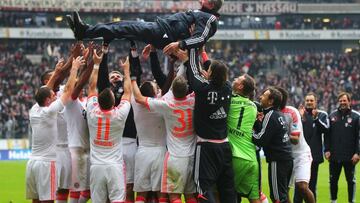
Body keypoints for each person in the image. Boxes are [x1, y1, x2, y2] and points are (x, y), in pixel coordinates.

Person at [132, 73, 197, 203]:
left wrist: (132, 77)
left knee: (173, 196)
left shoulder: (166, 104)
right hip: (191, 156)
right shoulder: (193, 101)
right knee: (190, 196)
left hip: (173, 156)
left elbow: (139, 98)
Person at [26, 56, 83, 203]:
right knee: (48, 200)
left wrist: (57, 73)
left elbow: (45, 90)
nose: (54, 96)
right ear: (48, 100)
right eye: (52, 96)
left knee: (36, 200)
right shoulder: (50, 111)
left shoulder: (34, 109)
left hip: (32, 163)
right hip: (46, 164)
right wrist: (75, 68)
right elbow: (69, 89)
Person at [66, 0, 223, 51]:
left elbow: (200, 38)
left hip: (164, 33)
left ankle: (84, 32)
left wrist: (179, 43)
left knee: (124, 27)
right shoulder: (203, 15)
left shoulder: (209, 18)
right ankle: (85, 32)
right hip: (162, 31)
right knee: (123, 27)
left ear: (211, 4)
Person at [184, 48, 236, 203]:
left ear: (210, 74)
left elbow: (192, 70)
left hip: (206, 147)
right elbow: (214, 70)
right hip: (224, 147)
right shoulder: (228, 87)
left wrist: (191, 54)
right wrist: (204, 53)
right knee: (227, 189)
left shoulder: (202, 88)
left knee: (203, 189)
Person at [86, 48, 132, 202]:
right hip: (114, 167)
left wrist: (96, 65)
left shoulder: (92, 112)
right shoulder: (119, 115)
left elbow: (91, 87)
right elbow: (127, 93)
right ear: (114, 102)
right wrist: (126, 71)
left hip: (96, 167)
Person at [97, 42, 139, 203]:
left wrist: (132, 53)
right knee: (110, 187)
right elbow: (102, 76)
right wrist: (104, 53)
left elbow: (134, 78)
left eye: (118, 76)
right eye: (112, 76)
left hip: (130, 143)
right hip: (112, 146)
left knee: (129, 185)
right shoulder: (106, 94)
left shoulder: (127, 93)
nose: (115, 77)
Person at [252, 87, 293, 203]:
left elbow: (261, 139)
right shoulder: (279, 114)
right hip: (286, 158)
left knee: (277, 198)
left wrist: (247, 130)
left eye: (264, 95)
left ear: (270, 101)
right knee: (282, 195)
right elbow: (268, 135)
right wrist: (258, 123)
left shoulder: (270, 115)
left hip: (278, 160)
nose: (260, 97)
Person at [276, 87, 315, 203]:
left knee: (302, 186)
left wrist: (278, 134)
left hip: (300, 155)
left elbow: (295, 139)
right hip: (285, 156)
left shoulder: (292, 112)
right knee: (284, 190)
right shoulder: (271, 113)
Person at [227, 74, 260, 203]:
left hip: (236, 156)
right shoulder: (254, 107)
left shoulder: (229, 100)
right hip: (251, 158)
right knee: (254, 198)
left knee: (223, 194)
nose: (234, 79)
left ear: (240, 86)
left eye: (237, 79)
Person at [325, 92, 360, 203]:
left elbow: (359, 137)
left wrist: (358, 153)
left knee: (351, 181)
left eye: (344, 100)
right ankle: (333, 201)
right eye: (340, 101)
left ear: (349, 101)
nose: (342, 103)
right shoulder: (332, 116)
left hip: (350, 156)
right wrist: (327, 150)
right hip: (334, 156)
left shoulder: (356, 116)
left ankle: (351, 201)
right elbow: (327, 135)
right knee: (333, 180)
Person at [297, 92, 329, 202]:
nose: (309, 102)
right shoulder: (300, 114)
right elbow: (295, 130)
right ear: (305, 102)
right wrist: (300, 118)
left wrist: (316, 119)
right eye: (307, 100)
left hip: (314, 156)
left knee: (311, 185)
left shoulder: (322, 114)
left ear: (316, 102)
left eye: (311, 100)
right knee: (298, 186)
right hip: (300, 156)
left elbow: (326, 129)